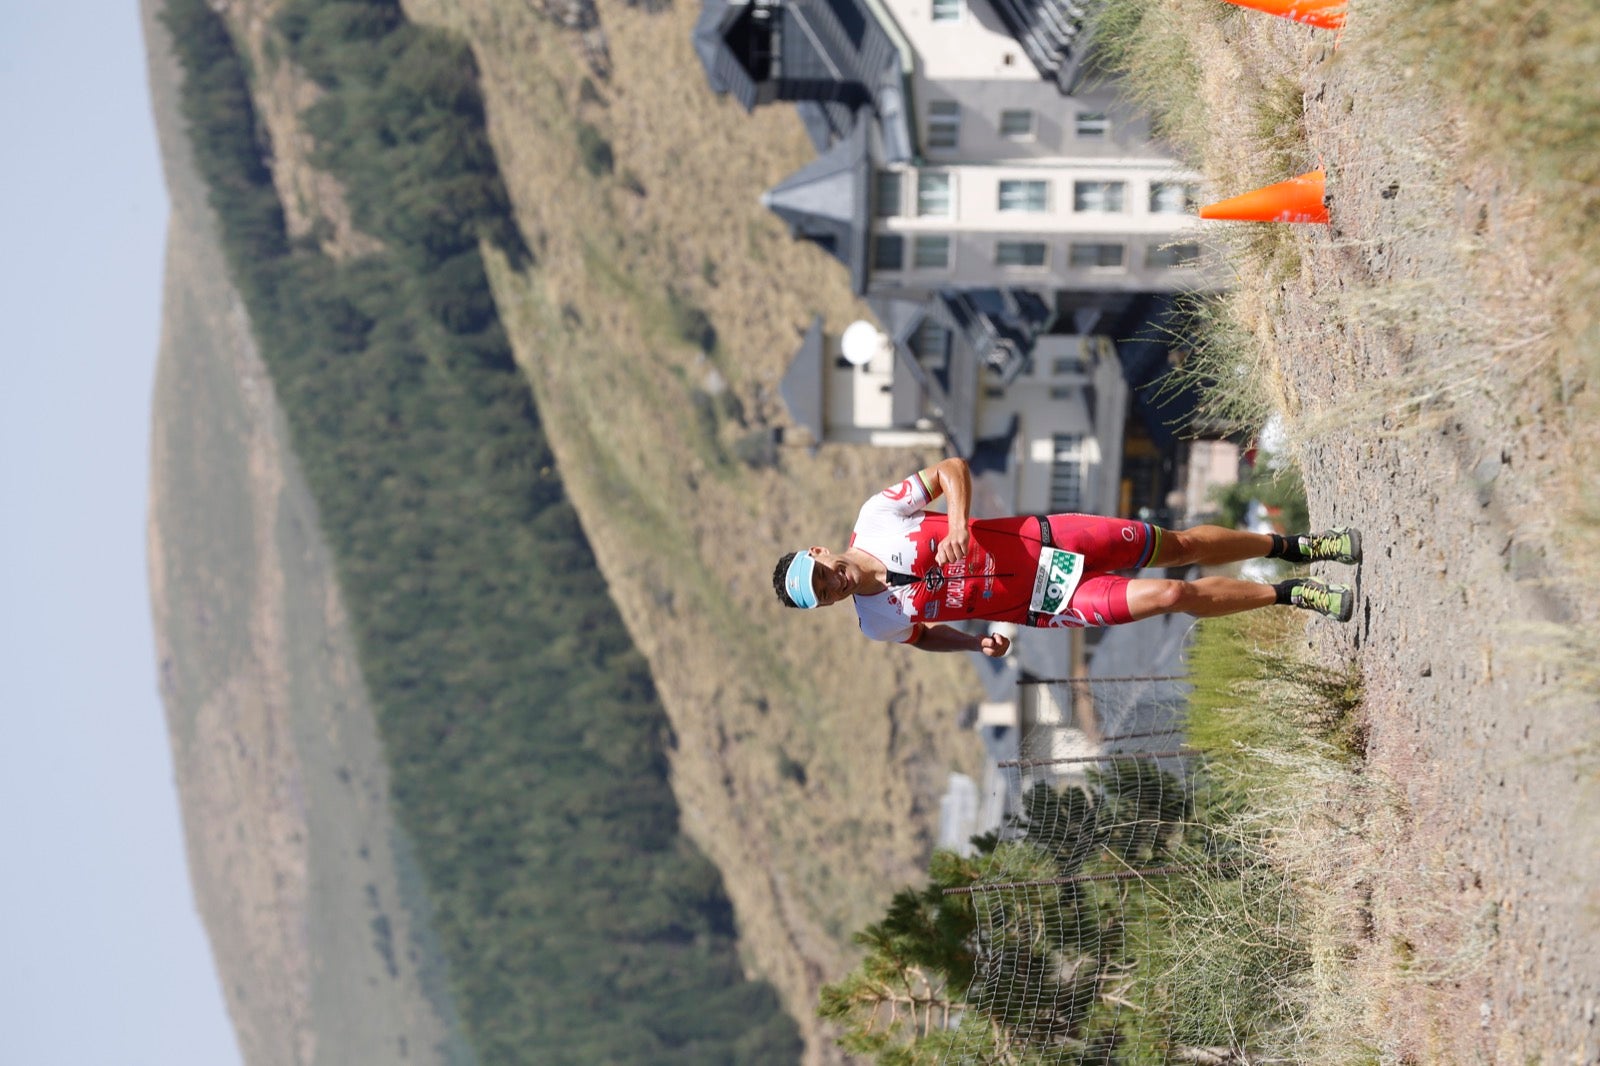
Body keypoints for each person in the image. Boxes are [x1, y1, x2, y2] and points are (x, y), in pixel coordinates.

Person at [771, 457, 1361, 657]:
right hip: (1046, 601)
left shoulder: (877, 515)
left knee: (1175, 547)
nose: (835, 585)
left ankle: (1296, 548)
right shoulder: (876, 623)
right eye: (824, 594)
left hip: (1050, 538)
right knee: (1170, 594)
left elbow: (951, 470)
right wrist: (972, 641)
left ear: (820, 552)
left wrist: (955, 523)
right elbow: (920, 636)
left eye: (823, 575)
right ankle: (1292, 594)